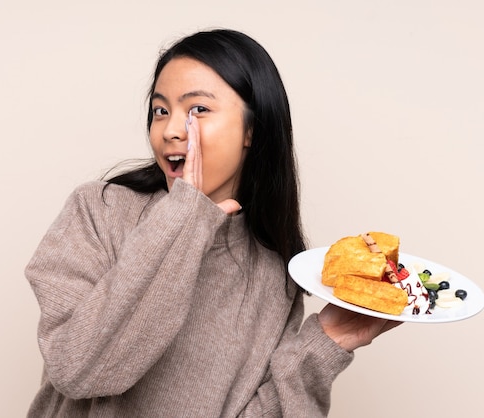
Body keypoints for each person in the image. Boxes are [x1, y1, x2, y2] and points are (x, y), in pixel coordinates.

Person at [25, 28, 400, 417]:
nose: (170, 130)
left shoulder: (275, 270)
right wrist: (182, 219)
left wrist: (327, 343)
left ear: (251, 131)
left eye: (197, 110)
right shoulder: (99, 211)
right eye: (160, 110)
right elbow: (79, 370)